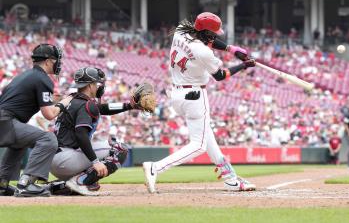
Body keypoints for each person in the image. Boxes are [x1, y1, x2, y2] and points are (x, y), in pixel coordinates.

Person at [143, 12, 256, 193]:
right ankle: (155, 167)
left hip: (177, 94)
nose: (215, 36)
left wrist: (231, 49)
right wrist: (243, 66)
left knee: (207, 137)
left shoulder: (182, 30)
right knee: (199, 145)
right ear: (205, 32)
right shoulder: (203, 51)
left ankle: (231, 179)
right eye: (212, 33)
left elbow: (205, 39)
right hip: (195, 96)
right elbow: (221, 75)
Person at [51, 67, 140, 196]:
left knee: (93, 183)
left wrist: (129, 106)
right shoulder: (85, 103)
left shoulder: (73, 99)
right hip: (67, 158)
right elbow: (80, 133)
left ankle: (58, 185)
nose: (99, 87)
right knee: (120, 149)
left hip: (56, 160)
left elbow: (102, 108)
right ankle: (79, 181)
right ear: (90, 85)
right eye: (97, 84)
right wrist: (95, 162)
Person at [0, 44, 72, 197]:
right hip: (6, 120)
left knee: (19, 142)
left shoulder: (25, 75)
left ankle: (1, 184)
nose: (58, 63)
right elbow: (49, 114)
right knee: (48, 139)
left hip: (5, 119)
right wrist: (64, 103)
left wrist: (53, 100)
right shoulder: (43, 79)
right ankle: (27, 184)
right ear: (47, 61)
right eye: (55, 60)